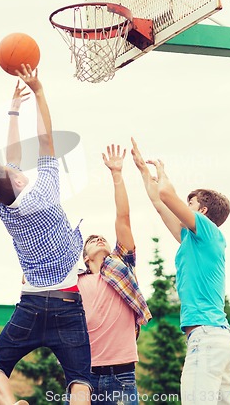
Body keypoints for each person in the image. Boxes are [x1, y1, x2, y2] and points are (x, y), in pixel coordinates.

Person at [0, 64, 92, 405]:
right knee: (80, 382)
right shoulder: (45, 188)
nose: (18, 166)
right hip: (67, 303)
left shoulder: (6, 211)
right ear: (16, 181)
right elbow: (45, 140)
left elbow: (9, 162)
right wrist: (40, 93)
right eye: (15, 171)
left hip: (30, 306)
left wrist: (14, 110)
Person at [131, 137, 230, 405]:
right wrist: (144, 172)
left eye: (189, 203)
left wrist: (163, 171)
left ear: (201, 211)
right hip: (219, 340)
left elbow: (167, 196)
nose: (183, 206)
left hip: (207, 339)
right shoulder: (195, 240)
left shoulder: (206, 230)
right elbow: (160, 204)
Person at [77, 144, 152, 405]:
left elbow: (123, 217)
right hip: (83, 375)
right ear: (85, 257)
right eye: (92, 240)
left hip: (121, 375)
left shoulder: (121, 265)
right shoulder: (76, 280)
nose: (99, 238)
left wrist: (117, 174)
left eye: (102, 237)